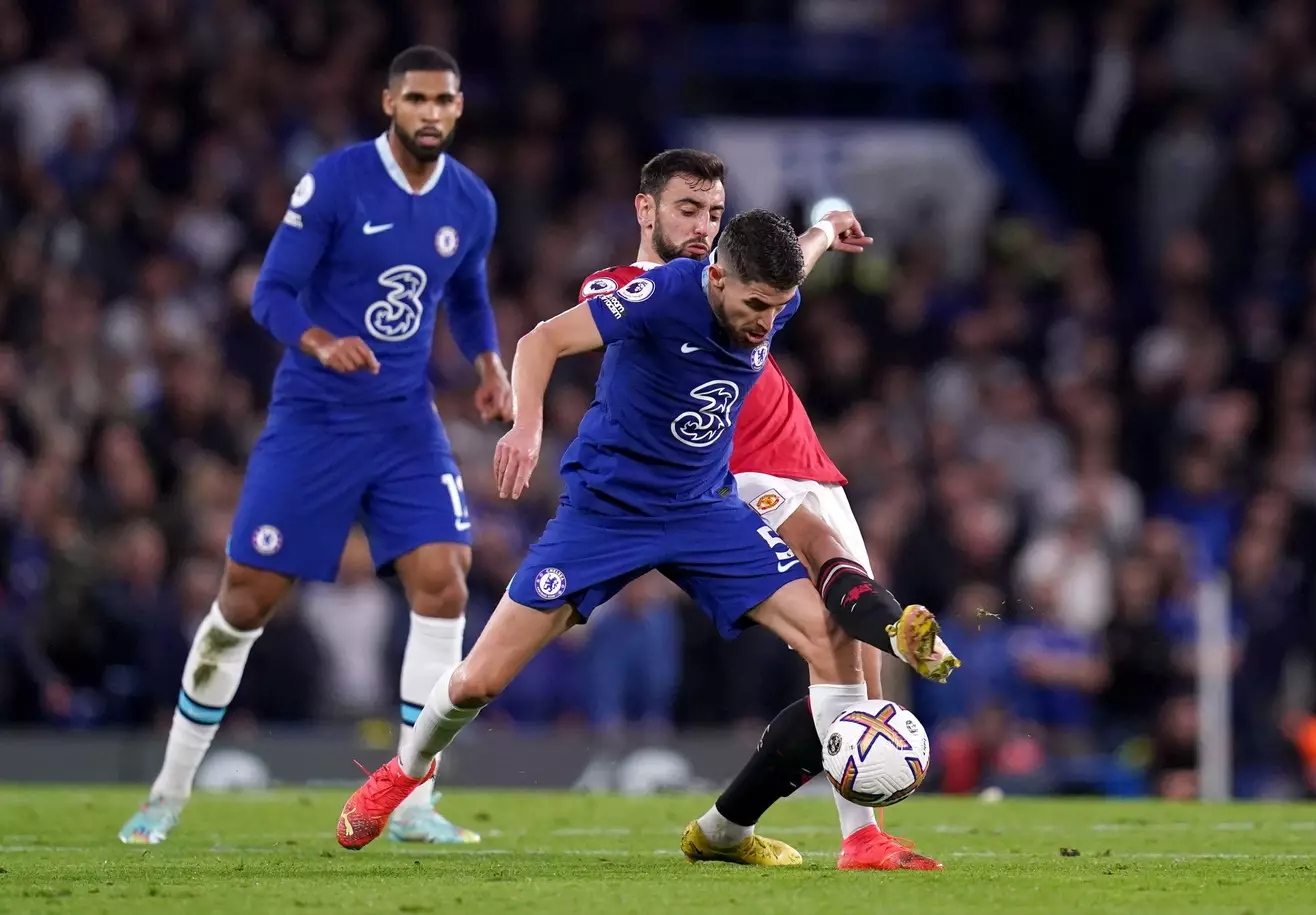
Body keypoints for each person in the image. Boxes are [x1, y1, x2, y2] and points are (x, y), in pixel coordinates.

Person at [336, 209, 894, 852]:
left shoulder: (771, 290)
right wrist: (526, 428)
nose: (767, 321)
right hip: (607, 514)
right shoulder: (660, 296)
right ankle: (404, 771)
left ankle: (863, 841)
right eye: (757, 304)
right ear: (716, 278)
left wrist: (828, 225)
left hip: (702, 508)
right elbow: (539, 342)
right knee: (478, 681)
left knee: (832, 634)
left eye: (782, 306)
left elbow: (806, 248)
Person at [119, 46, 511, 846]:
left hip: (404, 421)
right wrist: (320, 339)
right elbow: (270, 293)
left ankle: (412, 800)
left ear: (459, 108)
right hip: (315, 417)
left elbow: (466, 293)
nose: (431, 113)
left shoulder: (472, 202)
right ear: (388, 103)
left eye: (445, 100)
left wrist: (488, 361)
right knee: (244, 600)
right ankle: (168, 789)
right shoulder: (334, 182)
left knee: (444, 583)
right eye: (417, 99)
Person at [581, 150, 950, 870]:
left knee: (855, 681)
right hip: (743, 474)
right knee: (842, 646)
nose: (702, 226)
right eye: (688, 210)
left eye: (713, 214)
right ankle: (859, 835)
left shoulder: (739, 285)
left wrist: (822, 227)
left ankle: (727, 829)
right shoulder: (637, 293)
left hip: (811, 466)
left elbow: (784, 269)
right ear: (646, 210)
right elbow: (594, 316)